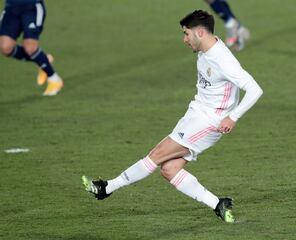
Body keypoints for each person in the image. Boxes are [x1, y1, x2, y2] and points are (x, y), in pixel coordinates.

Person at [82, 10, 263, 223]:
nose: (184, 39)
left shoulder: (223, 59)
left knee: (157, 154)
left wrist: (233, 117)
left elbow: (254, 89)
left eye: (187, 34)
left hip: (209, 121)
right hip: (195, 114)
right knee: (169, 170)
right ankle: (218, 204)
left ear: (201, 32)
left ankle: (106, 187)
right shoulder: (205, 50)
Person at [0, 0, 63, 96]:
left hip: (32, 7)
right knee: (5, 47)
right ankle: (43, 60)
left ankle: (54, 79)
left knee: (30, 47)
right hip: (11, 7)